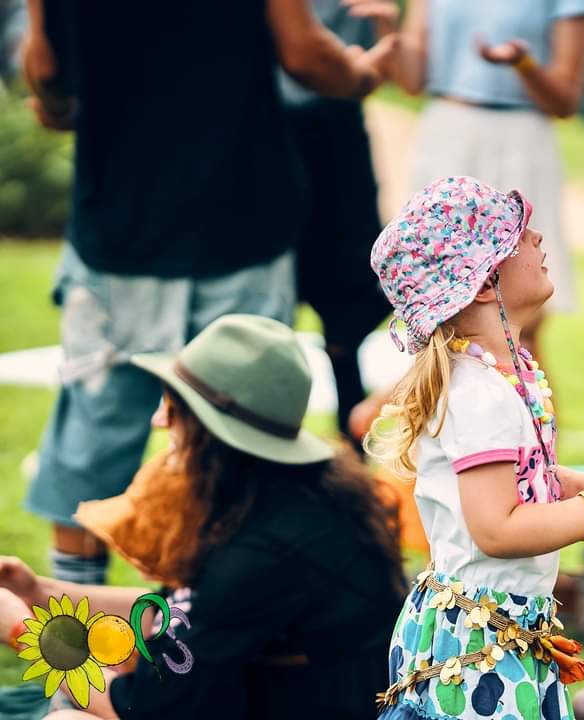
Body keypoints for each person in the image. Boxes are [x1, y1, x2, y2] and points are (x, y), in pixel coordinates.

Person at [18, 0, 396, 588]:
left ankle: (79, 654)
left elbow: (47, 73)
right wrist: (364, 73)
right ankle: (215, 636)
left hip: (120, 231)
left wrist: (60, 106)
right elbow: (305, 55)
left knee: (90, 440)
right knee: (245, 447)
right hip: (240, 221)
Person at [364, 176, 584, 720]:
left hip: (504, 622)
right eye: (518, 236)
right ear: (486, 283)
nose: (537, 238)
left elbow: (530, 477)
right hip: (477, 642)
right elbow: (497, 529)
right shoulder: (480, 395)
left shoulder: (508, 377)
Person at [1, 314, 406, 720]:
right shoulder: (292, 500)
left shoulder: (260, 551)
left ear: (209, 432)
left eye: (173, 408)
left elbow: (144, 708)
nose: (158, 419)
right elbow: (174, 613)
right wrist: (37, 592)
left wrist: (26, 633)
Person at [343, 0, 584, 365]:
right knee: (441, 310)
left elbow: (565, 100)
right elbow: (413, 82)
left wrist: (522, 64)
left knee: (522, 325)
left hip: (520, 140)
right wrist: (390, 29)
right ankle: (400, 413)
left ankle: (529, 419)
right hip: (447, 133)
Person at [279, 0, 393, 449]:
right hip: (275, 140)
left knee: (346, 313)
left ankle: (352, 454)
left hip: (337, 138)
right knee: (271, 313)